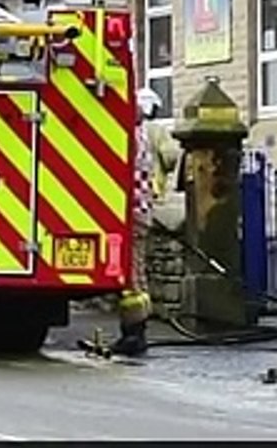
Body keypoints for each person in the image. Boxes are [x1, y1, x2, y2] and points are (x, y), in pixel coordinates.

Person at [110, 87, 177, 357]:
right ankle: (135, 332)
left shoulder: (134, 137)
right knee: (135, 276)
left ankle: (135, 334)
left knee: (134, 278)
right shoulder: (143, 135)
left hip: (134, 213)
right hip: (142, 209)